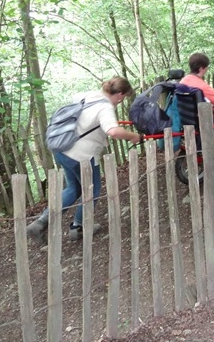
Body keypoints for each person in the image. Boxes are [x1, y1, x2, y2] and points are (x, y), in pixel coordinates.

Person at [27, 77, 142, 242]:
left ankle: (40, 222)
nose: (120, 101)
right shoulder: (105, 107)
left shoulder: (86, 96)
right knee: (92, 190)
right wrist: (133, 136)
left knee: (74, 188)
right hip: (81, 156)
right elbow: (113, 131)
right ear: (120, 95)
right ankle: (78, 227)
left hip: (62, 149)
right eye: (122, 98)